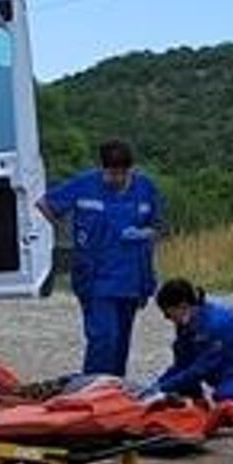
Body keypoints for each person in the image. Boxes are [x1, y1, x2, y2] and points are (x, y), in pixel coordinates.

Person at [35, 139, 166, 378]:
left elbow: (158, 226)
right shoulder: (85, 185)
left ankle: (113, 391)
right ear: (103, 169)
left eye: (122, 174)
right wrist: (68, 233)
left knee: (121, 342)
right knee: (104, 338)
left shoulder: (146, 188)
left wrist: (145, 234)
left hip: (132, 279)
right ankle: (91, 391)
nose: (116, 179)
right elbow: (45, 203)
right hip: (96, 279)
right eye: (111, 173)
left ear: (131, 169)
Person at [151, 280, 233, 403]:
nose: (168, 318)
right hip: (224, 377)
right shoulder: (186, 323)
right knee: (184, 390)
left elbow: (201, 369)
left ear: (183, 306)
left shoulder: (215, 324)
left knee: (222, 397)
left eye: (168, 314)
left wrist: (162, 388)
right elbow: (182, 364)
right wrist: (155, 387)